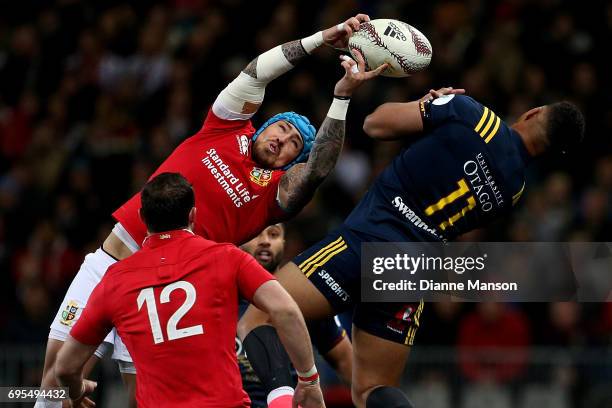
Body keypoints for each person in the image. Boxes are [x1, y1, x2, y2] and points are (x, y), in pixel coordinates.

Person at [39, 12, 387, 407]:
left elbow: (319, 167)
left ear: (294, 160)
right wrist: (322, 38)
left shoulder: (274, 194)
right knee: (53, 380)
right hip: (110, 263)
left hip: (162, 291)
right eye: (281, 128)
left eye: (293, 143)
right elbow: (257, 72)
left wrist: (341, 97)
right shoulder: (225, 127)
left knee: (146, 399)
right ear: (264, 125)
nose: (283, 139)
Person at [240, 88, 586, 407]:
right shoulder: (514, 189)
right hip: (413, 271)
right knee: (370, 390)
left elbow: (375, 123)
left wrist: (428, 101)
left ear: (533, 112)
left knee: (258, 315)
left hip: (366, 240)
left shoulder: (470, 114)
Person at [54, 172, 324, 408]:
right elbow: (285, 309)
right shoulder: (228, 257)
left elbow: (65, 367)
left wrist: (77, 391)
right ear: (193, 214)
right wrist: (308, 380)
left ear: (141, 217)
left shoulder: (114, 280)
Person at [237, 224, 353, 407]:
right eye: (256, 234)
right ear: (238, 238)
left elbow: (346, 363)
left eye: (274, 235)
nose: (266, 241)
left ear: (284, 242)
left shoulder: (303, 300)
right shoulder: (217, 299)